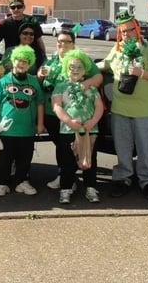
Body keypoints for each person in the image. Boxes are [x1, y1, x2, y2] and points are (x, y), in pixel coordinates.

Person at [98, 11, 148, 201]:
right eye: (122, 31)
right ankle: (123, 178)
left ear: (137, 29)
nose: (126, 34)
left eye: (130, 30)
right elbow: (104, 65)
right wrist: (79, 65)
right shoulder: (117, 49)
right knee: (122, 148)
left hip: (145, 110)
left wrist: (142, 73)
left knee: (145, 148)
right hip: (120, 109)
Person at [37, 30, 102, 189]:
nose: (62, 44)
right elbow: (39, 79)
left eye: (66, 41)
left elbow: (98, 77)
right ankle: (66, 176)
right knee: (62, 146)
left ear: (73, 44)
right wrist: (40, 74)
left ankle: (70, 177)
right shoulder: (51, 60)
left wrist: (86, 84)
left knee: (72, 146)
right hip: (52, 111)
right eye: (60, 41)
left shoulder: (80, 59)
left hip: (75, 113)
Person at [0, 45, 45, 196]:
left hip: (27, 129)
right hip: (6, 130)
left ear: (29, 63)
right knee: (5, 158)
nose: (22, 64)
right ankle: (3, 183)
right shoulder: (3, 81)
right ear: (13, 61)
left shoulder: (33, 81)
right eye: (19, 60)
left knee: (25, 158)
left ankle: (21, 182)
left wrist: (40, 123)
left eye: (26, 61)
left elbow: (39, 102)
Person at [52, 49, 104, 204]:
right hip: (68, 130)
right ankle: (66, 189)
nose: (75, 70)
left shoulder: (91, 88)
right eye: (71, 67)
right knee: (67, 162)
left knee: (90, 160)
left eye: (79, 67)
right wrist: (69, 121)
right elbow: (56, 106)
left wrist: (92, 122)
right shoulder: (60, 86)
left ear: (85, 70)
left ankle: (90, 188)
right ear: (66, 68)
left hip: (90, 131)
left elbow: (99, 106)